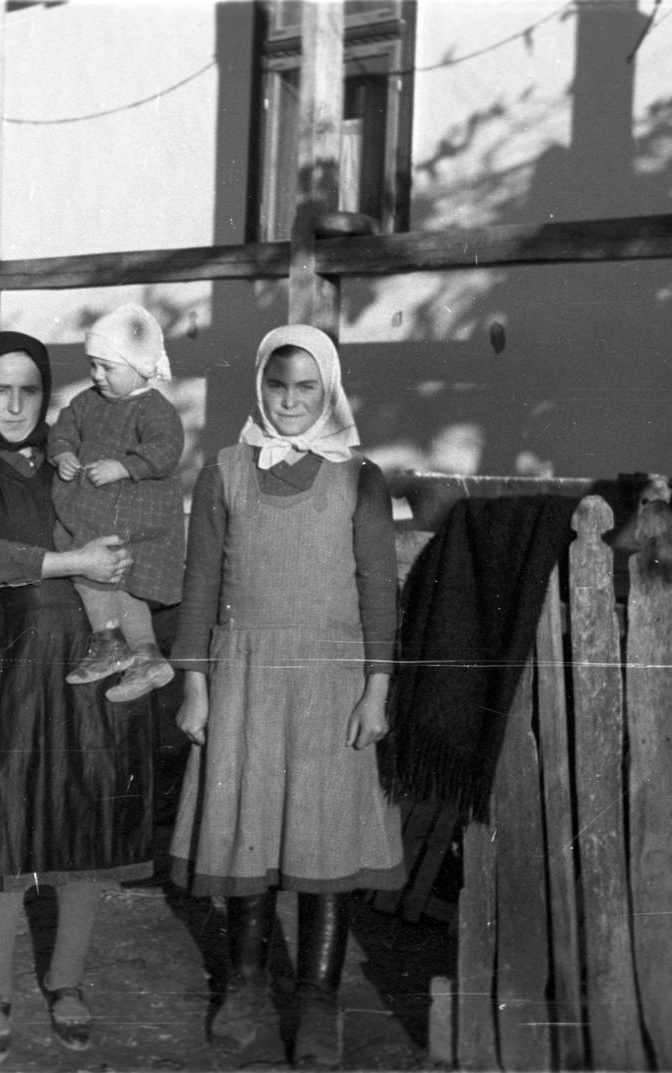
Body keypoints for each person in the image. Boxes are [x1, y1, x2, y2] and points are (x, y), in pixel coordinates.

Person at [169, 325, 404, 1066]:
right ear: (260, 387)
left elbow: (378, 591)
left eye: (307, 388)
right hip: (242, 683)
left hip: (330, 685)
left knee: (322, 842)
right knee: (246, 833)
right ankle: (242, 983)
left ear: (328, 391)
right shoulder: (227, 472)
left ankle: (320, 1000)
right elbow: (201, 584)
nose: (291, 401)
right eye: (278, 385)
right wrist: (195, 687)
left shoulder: (359, 479)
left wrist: (377, 690)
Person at [0, 331, 157, 1064]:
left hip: (99, 654)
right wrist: (76, 559)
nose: (18, 402)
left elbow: (139, 518)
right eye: (2, 388)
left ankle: (65, 979)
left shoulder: (75, 460)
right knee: (11, 824)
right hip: (20, 666)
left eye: (30, 387)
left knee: (84, 817)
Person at [48, 304, 184, 702]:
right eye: (93, 365)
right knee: (97, 574)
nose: (96, 376)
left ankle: (119, 646)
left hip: (137, 517)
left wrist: (125, 467)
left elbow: (167, 449)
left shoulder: (155, 409)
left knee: (124, 585)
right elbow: (64, 428)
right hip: (94, 513)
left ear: (141, 367)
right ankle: (144, 656)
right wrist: (62, 454)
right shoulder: (87, 402)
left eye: (108, 367)